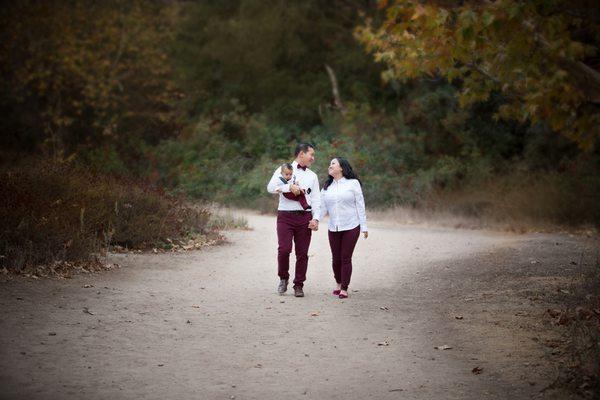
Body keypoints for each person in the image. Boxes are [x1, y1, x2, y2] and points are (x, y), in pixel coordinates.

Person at [267, 143, 321, 297]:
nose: (313, 158)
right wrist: (288, 188)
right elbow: (270, 188)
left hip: (305, 217)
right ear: (301, 154)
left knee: (302, 253)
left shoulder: (313, 176)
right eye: (311, 154)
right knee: (284, 249)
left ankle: (299, 285)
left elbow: (316, 199)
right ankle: (283, 278)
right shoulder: (283, 169)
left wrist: (316, 219)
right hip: (285, 216)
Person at [320, 157, 368, 299]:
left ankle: (344, 288)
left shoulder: (353, 184)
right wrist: (315, 220)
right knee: (336, 259)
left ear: (341, 168)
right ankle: (338, 283)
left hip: (351, 225)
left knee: (345, 257)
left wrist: (364, 226)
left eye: (333, 164)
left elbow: (360, 204)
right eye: (330, 164)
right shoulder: (326, 186)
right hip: (333, 227)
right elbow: (322, 208)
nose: (330, 166)